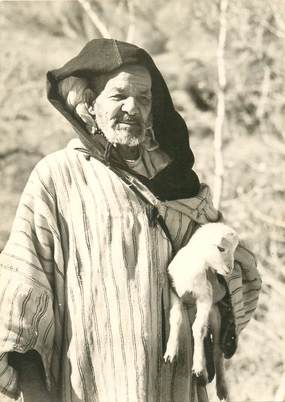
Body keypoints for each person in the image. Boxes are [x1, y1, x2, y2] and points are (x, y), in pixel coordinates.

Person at [0, 39, 261, 402]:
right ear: (90, 105)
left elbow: (235, 269)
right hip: (91, 384)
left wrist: (210, 290)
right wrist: (36, 392)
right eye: (119, 96)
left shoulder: (179, 185)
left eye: (144, 98)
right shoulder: (58, 178)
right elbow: (22, 291)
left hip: (175, 382)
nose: (132, 108)